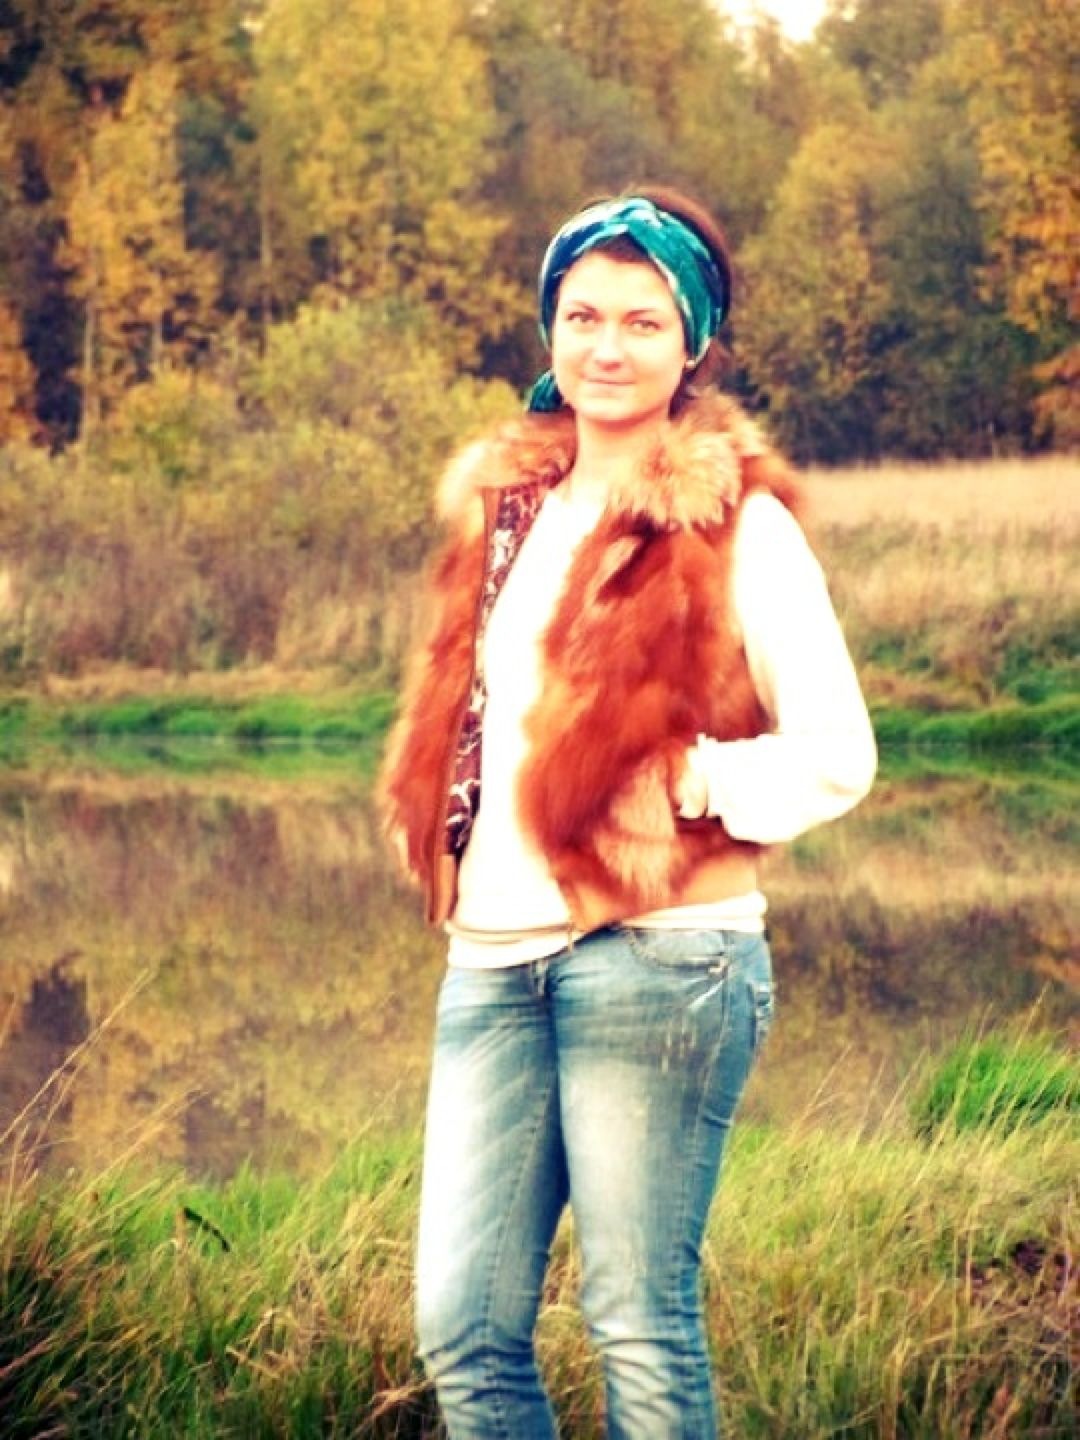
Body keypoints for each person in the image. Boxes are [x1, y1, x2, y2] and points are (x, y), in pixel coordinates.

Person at [379, 187, 877, 1439]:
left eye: (643, 322)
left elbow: (841, 754)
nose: (607, 346)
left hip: (662, 960)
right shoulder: (501, 517)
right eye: (583, 316)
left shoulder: (739, 526)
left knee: (638, 1324)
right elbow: (468, 710)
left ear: (690, 344)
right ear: (549, 329)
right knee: (463, 1330)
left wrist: (694, 780)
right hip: (490, 960)